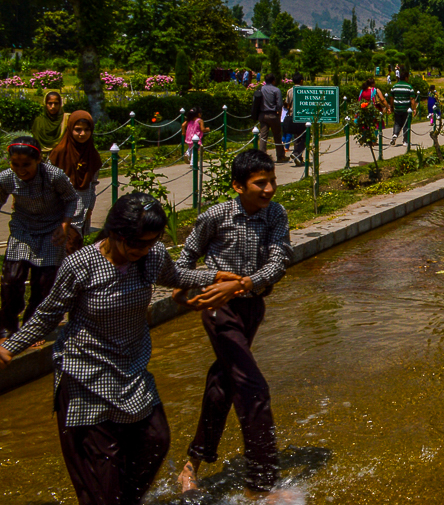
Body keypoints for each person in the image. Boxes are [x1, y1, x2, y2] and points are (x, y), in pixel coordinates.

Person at [0, 194, 236, 505]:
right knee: (101, 474)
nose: (144, 250)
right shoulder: (80, 264)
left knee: (156, 439)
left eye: (151, 242)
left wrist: (213, 276)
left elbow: (175, 276)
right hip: (85, 374)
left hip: (131, 369)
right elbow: (48, 313)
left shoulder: (152, 256)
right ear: (115, 233)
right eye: (137, 244)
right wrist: (10, 346)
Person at [176, 149, 293, 495]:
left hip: (252, 306)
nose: (270, 189)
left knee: (223, 382)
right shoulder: (216, 215)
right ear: (238, 186)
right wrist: (206, 283)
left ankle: (191, 465)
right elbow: (183, 262)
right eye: (261, 183)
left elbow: (280, 260)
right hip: (218, 308)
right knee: (254, 388)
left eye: (272, 181)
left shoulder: (276, 215)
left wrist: (244, 283)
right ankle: (262, 484)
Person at [0, 137, 80, 339]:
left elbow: (71, 199)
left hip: (51, 229)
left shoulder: (54, 175)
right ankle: (9, 323)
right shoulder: (7, 178)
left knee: (43, 282)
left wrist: (65, 225)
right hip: (22, 229)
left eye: (26, 165)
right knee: (11, 279)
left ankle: (32, 328)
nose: (21, 170)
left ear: (38, 160)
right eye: (15, 164)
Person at [48, 111, 103, 237]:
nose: (82, 134)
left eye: (87, 130)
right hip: (59, 209)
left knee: (76, 243)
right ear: (70, 129)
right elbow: (48, 182)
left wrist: (90, 208)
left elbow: (93, 185)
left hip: (83, 207)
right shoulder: (59, 153)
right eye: (78, 129)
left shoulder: (92, 155)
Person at [252, 74, 287, 162]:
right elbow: (279, 104)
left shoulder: (260, 89)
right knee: (277, 135)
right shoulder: (276, 90)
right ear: (273, 81)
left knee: (263, 136)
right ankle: (280, 156)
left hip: (262, 115)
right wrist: (279, 112)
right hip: (273, 115)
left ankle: (262, 156)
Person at [388, 67, 417, 146]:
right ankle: (405, 141)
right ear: (406, 78)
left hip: (397, 108)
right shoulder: (409, 87)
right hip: (406, 109)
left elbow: (391, 97)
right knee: (406, 124)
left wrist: (391, 106)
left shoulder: (394, 86)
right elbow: (412, 99)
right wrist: (414, 108)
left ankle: (395, 135)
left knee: (397, 123)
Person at [283, 73, 306, 166]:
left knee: (296, 137)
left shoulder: (289, 91)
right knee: (305, 137)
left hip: (293, 116)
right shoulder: (305, 91)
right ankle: (297, 154)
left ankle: (298, 158)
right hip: (303, 116)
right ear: (301, 80)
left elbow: (287, 104)